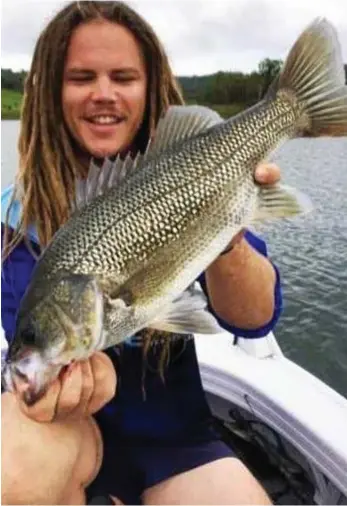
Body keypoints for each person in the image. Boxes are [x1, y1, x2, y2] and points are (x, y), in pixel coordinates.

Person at [1, 2, 283, 504]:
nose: (103, 94)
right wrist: (55, 397)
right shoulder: (11, 221)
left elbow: (254, 320)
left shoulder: (182, 176)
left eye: (124, 77)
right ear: (49, 91)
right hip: (70, 436)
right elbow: (29, 350)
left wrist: (228, 230)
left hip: (176, 440)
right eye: (81, 76)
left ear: (149, 87)